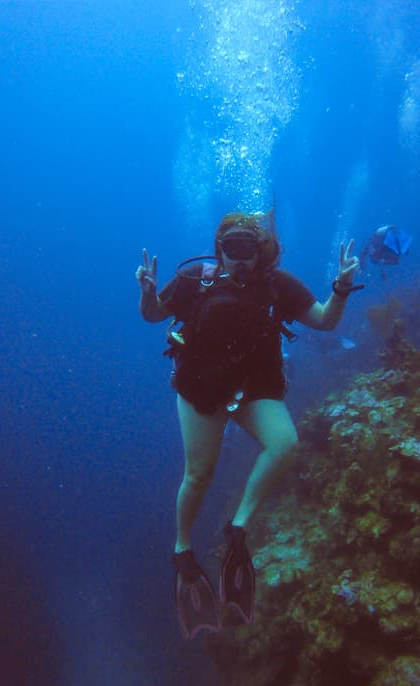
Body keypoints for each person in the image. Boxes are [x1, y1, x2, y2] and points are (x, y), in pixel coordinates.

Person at [135, 211, 362, 639]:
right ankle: (183, 550)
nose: (240, 259)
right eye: (231, 249)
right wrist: (148, 293)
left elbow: (324, 320)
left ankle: (238, 527)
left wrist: (342, 288)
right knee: (199, 475)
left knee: (285, 443)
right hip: (200, 389)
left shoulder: (278, 284)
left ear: (262, 252)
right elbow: (152, 316)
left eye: (249, 249)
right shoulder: (194, 280)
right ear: (218, 250)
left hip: (252, 389)